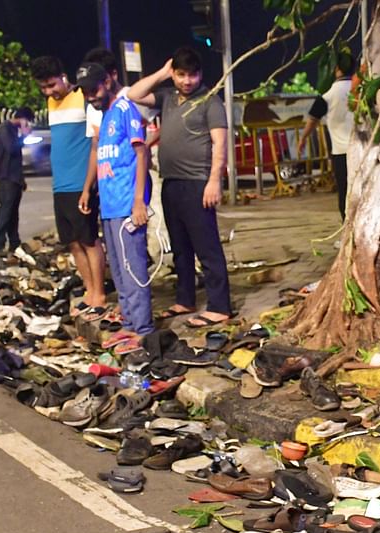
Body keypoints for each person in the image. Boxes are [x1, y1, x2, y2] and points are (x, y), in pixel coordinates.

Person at [128, 47, 232, 329]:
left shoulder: (210, 101)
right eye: (181, 74)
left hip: (198, 183)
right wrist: (162, 73)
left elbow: (220, 144)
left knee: (206, 246)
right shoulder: (168, 97)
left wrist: (214, 181)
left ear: (200, 74)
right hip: (171, 182)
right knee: (180, 247)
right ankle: (185, 299)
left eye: (193, 75)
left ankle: (220, 306)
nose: (187, 81)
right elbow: (133, 94)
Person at [77, 62, 153, 346]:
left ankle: (143, 329)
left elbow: (141, 153)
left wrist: (138, 202)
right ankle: (131, 323)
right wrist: (88, 190)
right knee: (120, 273)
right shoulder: (106, 116)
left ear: (108, 82)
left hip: (126, 205)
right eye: (85, 92)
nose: (90, 96)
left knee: (133, 270)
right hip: (109, 206)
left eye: (93, 89)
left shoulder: (124, 110)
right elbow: (101, 156)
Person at [30, 55, 107, 315]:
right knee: (73, 243)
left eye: (52, 85)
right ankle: (88, 290)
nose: (49, 91)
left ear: (64, 77)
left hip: (80, 183)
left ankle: (100, 294)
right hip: (60, 186)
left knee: (89, 240)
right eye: (43, 87)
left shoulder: (83, 99)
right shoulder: (52, 103)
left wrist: (88, 187)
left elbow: (95, 143)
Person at [297, 50, 355, 219]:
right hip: (363, 151)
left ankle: (346, 233)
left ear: (336, 68)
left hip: (340, 153)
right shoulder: (359, 89)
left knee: (344, 193)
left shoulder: (327, 95)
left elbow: (312, 119)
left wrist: (303, 139)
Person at [0, 107, 34, 257]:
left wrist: (22, 179)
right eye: (27, 121)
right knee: (5, 211)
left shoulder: (12, 130)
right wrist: (23, 136)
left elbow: (17, 158)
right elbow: (11, 149)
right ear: (22, 118)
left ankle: (14, 243)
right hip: (7, 177)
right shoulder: (5, 128)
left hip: (15, 177)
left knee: (13, 213)